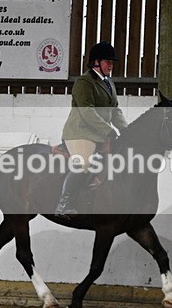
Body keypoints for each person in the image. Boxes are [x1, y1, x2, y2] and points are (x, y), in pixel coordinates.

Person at [54, 41, 128, 219]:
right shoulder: (83, 82)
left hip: (100, 134)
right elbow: (87, 111)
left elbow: (115, 110)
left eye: (112, 62)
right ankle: (63, 204)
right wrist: (109, 131)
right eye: (107, 61)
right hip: (80, 133)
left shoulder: (109, 83)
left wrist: (126, 131)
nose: (111, 65)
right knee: (84, 162)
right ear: (96, 62)